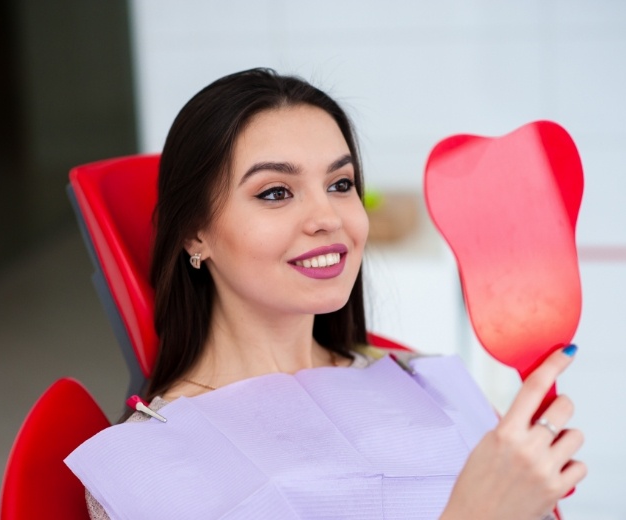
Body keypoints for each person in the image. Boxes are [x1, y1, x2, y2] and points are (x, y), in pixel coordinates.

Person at [66, 68, 586, 519]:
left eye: (340, 184)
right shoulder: (147, 467)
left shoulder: (422, 380)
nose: (328, 218)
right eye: (275, 192)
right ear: (194, 234)